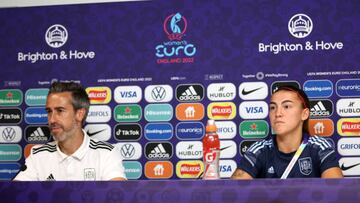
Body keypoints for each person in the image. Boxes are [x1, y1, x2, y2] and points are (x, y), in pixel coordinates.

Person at [14, 82, 126, 181]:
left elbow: (118, 195)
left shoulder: (107, 153)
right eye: (49, 111)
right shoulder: (38, 155)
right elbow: (15, 194)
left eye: (60, 111)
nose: (52, 119)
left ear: (79, 114)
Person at [231, 85, 343, 179]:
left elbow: (336, 191)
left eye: (286, 106)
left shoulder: (319, 147)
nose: (278, 113)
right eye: (273, 107)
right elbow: (234, 192)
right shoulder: (260, 150)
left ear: (304, 114)